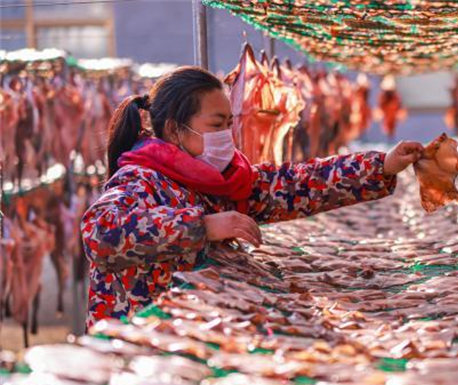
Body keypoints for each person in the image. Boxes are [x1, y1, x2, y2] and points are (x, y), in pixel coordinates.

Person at [81, 66, 423, 329]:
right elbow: (100, 233)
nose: (227, 135)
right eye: (217, 124)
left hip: (184, 338)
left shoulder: (216, 182)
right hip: (132, 343)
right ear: (174, 130)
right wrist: (202, 226)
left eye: (229, 123)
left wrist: (382, 166)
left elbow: (294, 185)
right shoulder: (141, 180)